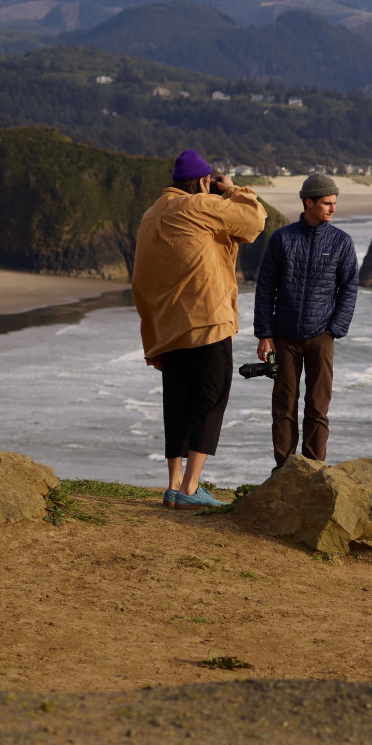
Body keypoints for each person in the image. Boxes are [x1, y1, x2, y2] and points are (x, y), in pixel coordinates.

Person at [131, 148, 265, 508]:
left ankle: (174, 484)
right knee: (212, 397)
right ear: (203, 181)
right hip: (207, 320)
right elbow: (254, 221)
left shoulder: (150, 215)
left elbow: (140, 279)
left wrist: (152, 330)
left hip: (169, 326)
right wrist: (234, 190)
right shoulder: (196, 207)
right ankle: (190, 488)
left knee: (177, 402)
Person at [253, 173, 359, 466]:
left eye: (334, 203)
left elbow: (349, 286)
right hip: (284, 337)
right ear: (308, 202)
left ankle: (314, 469)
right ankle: (285, 470)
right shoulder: (282, 239)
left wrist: (335, 330)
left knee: (317, 407)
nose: (332, 209)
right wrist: (264, 334)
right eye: (326, 203)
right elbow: (265, 287)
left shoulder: (341, 242)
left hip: (321, 337)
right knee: (283, 407)